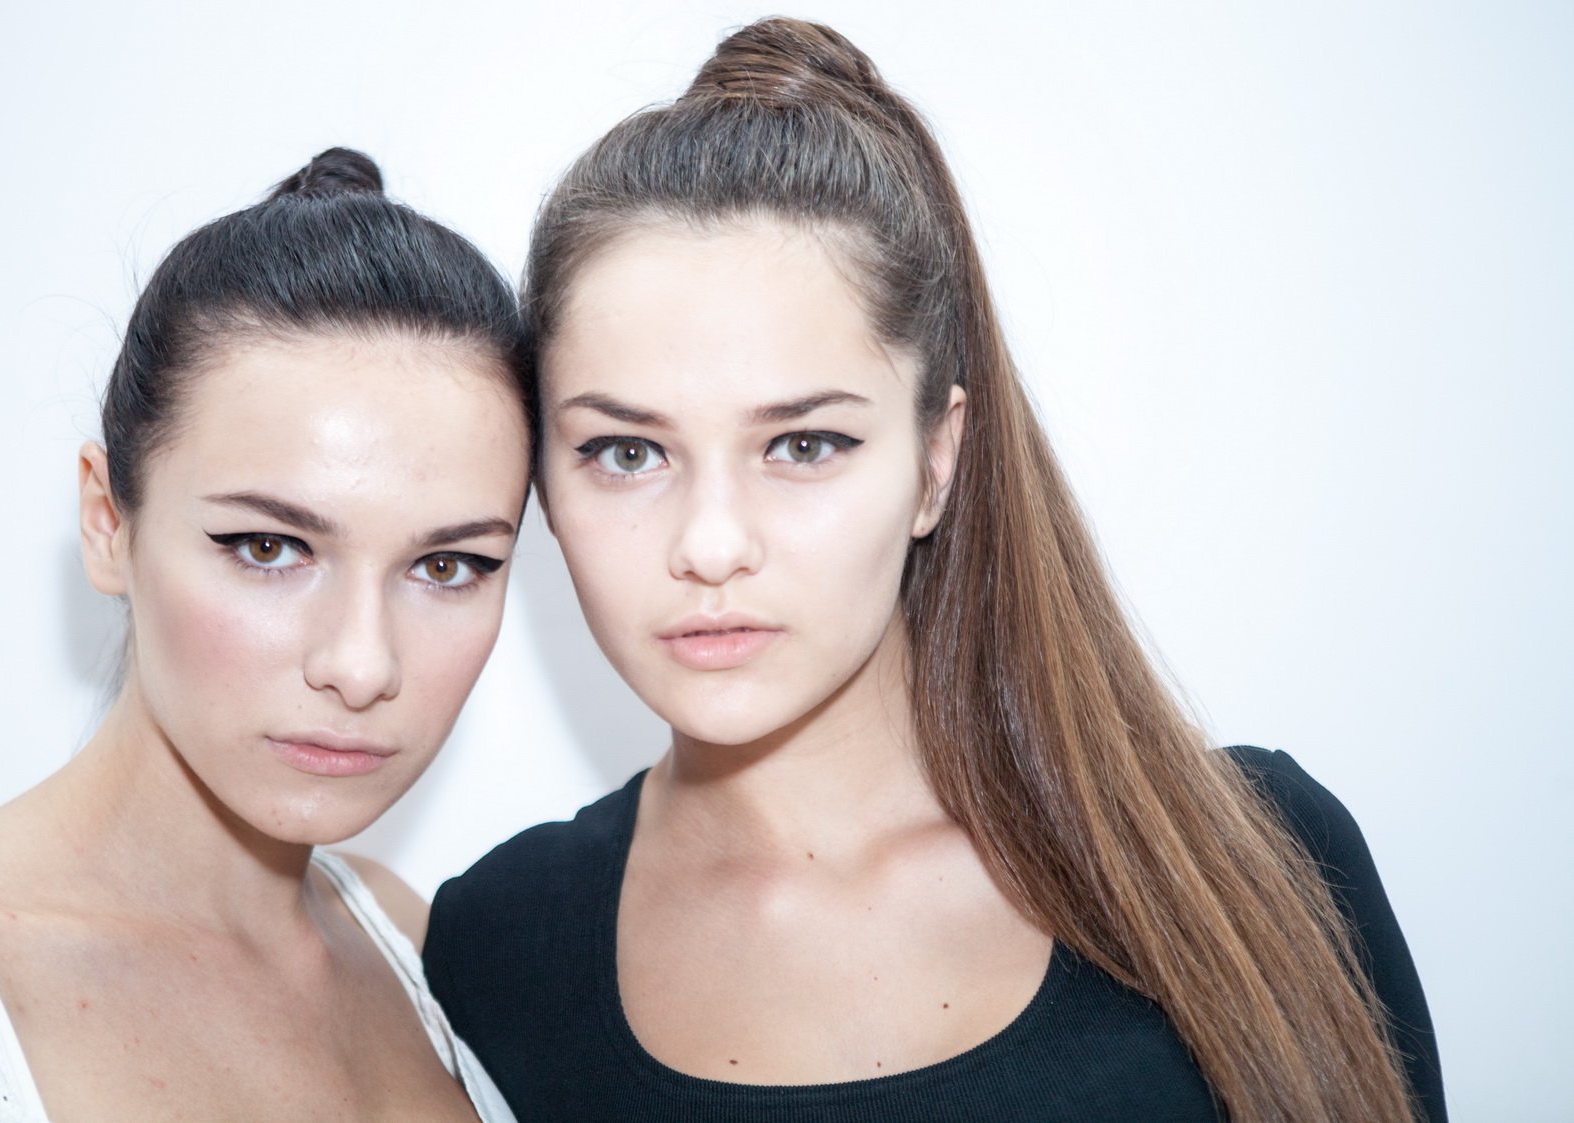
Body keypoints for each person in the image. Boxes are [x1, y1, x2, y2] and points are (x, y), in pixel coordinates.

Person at [423, 19, 1444, 1123]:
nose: (710, 544)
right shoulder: (493, 951)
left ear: (935, 463)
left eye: (802, 444)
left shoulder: (1259, 856)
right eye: (627, 452)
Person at [0, 149, 524, 1122]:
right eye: (269, 547)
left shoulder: (401, 935)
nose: (361, 666)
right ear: (108, 520)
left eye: (447, 565)